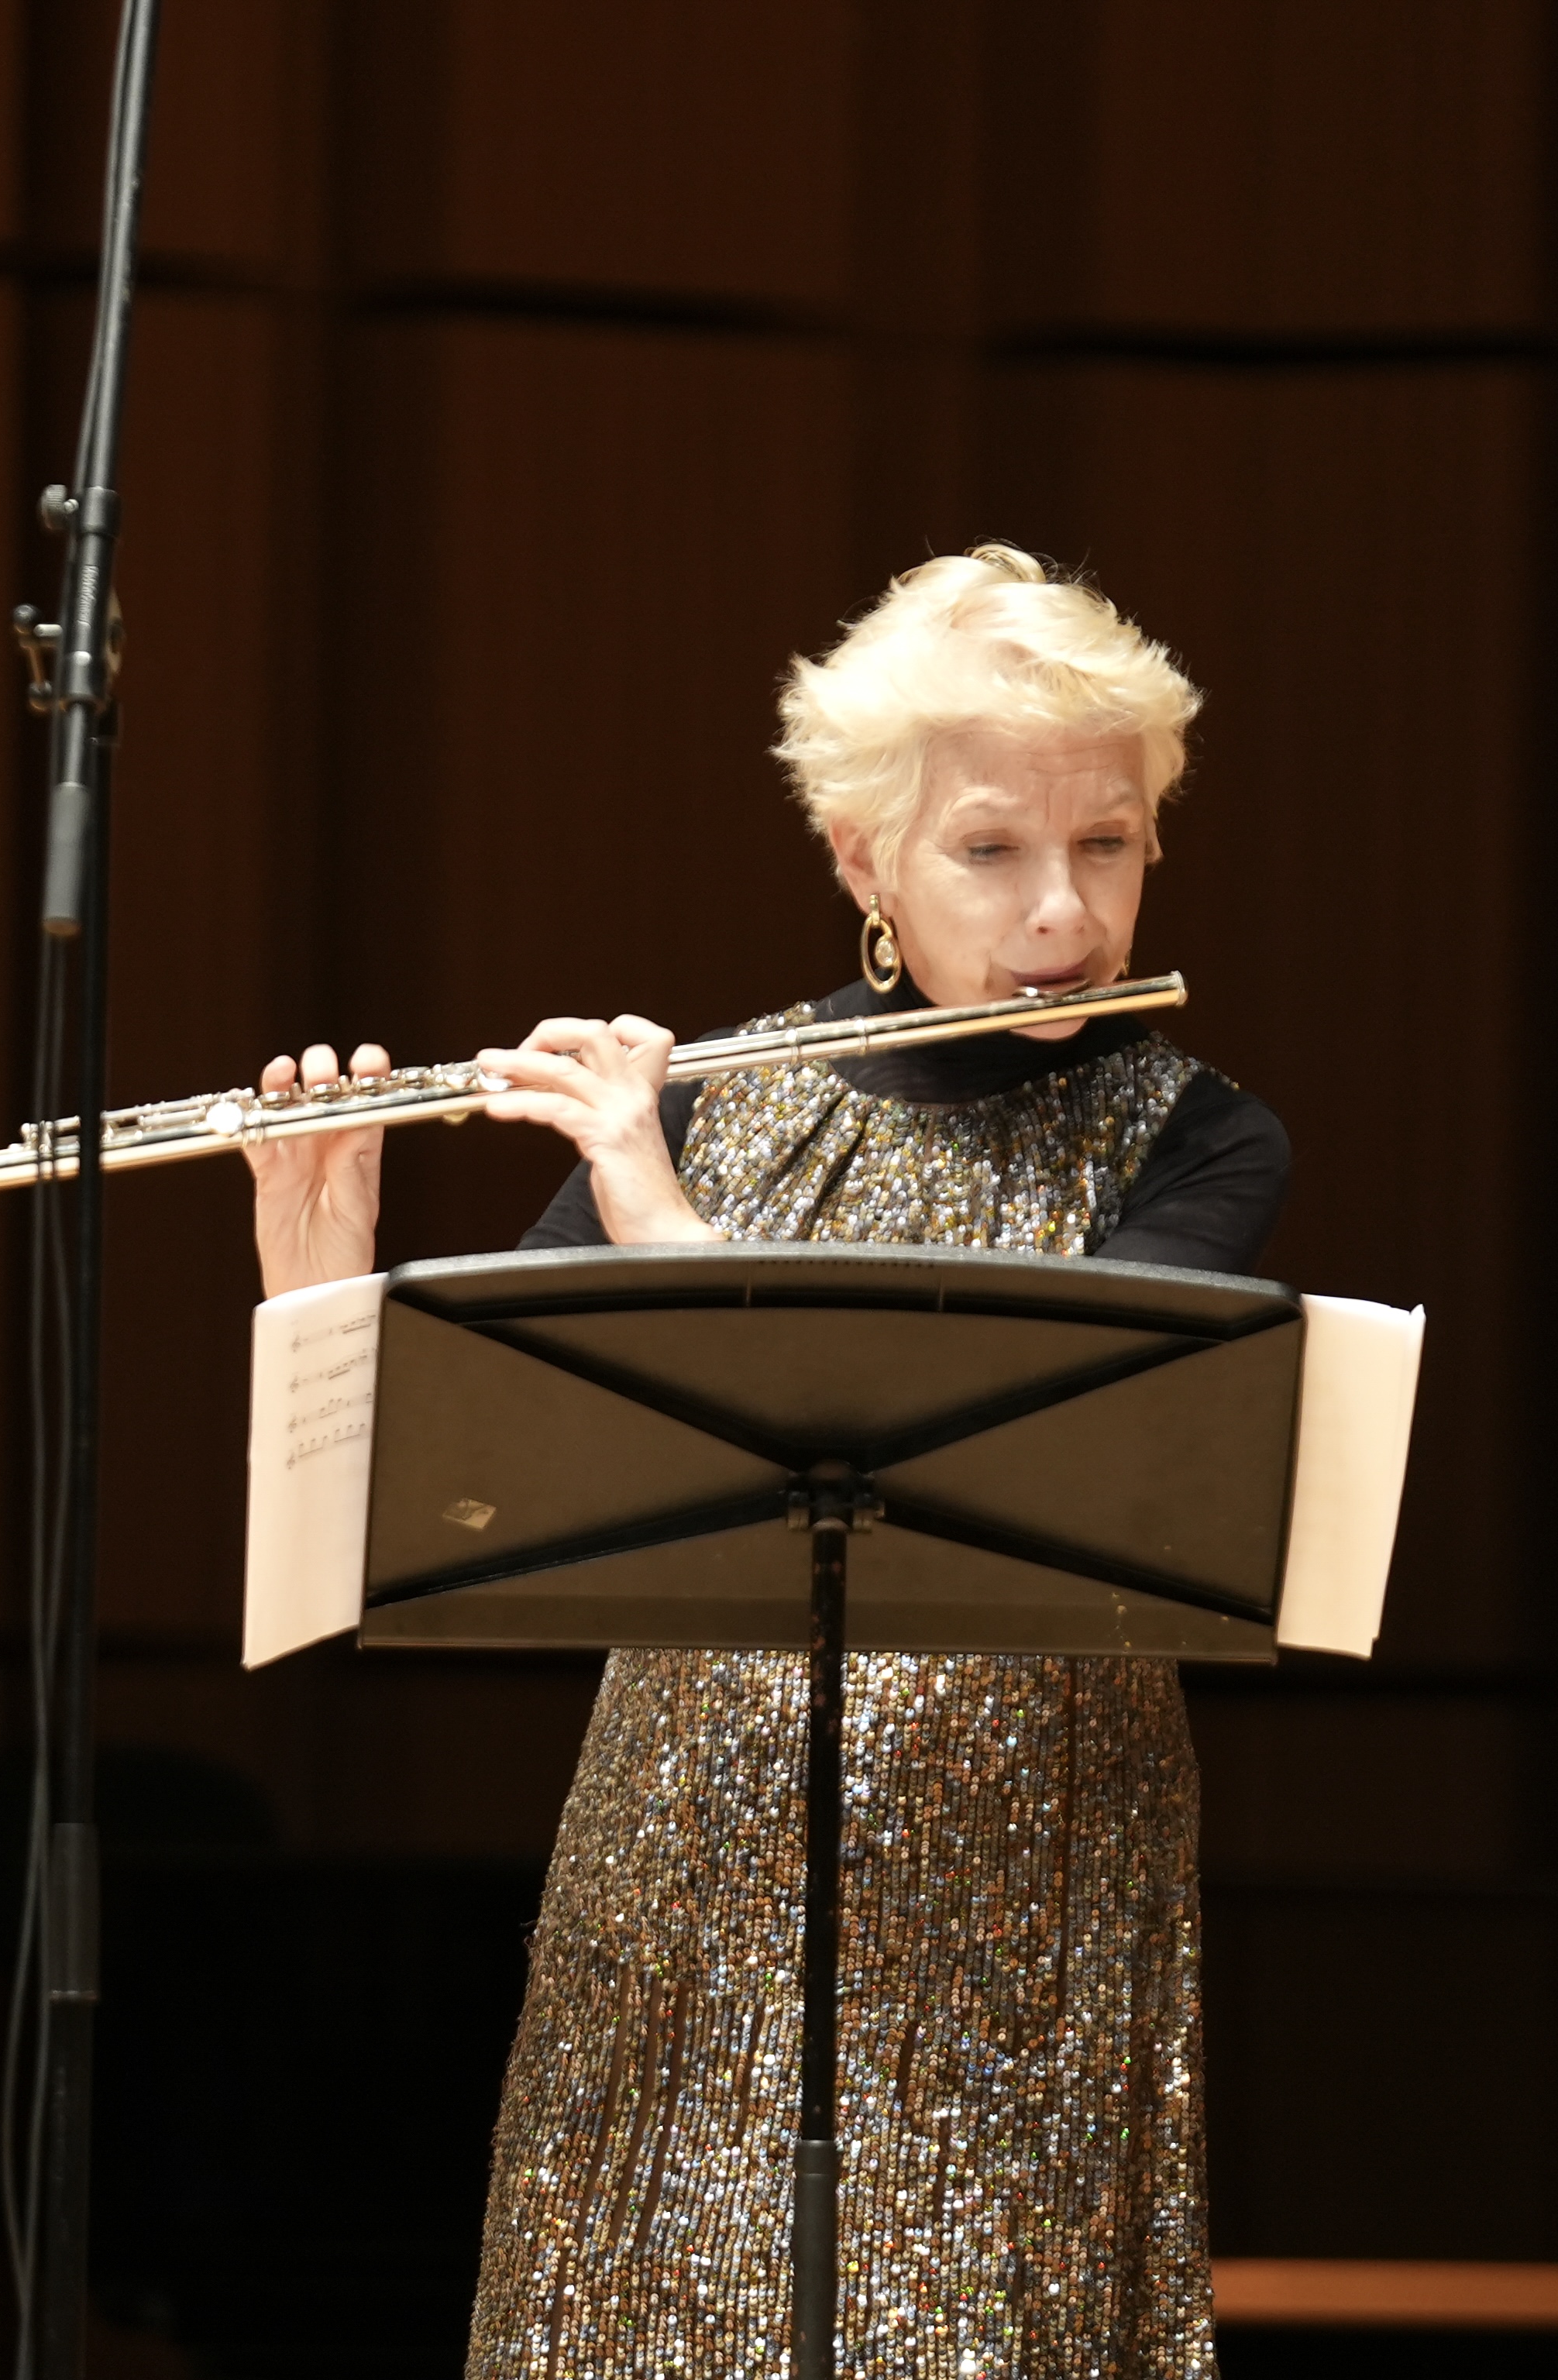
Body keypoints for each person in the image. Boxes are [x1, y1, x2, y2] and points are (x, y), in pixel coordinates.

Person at [245, 545, 1288, 2378]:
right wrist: (319, 1258)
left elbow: (1059, 1446)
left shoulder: (1194, 1141)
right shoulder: (708, 1101)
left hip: (1017, 1895)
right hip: (686, 1875)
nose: (1064, 909)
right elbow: (428, 1500)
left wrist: (656, 1218)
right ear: (862, 860)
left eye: (1109, 843)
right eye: (991, 849)